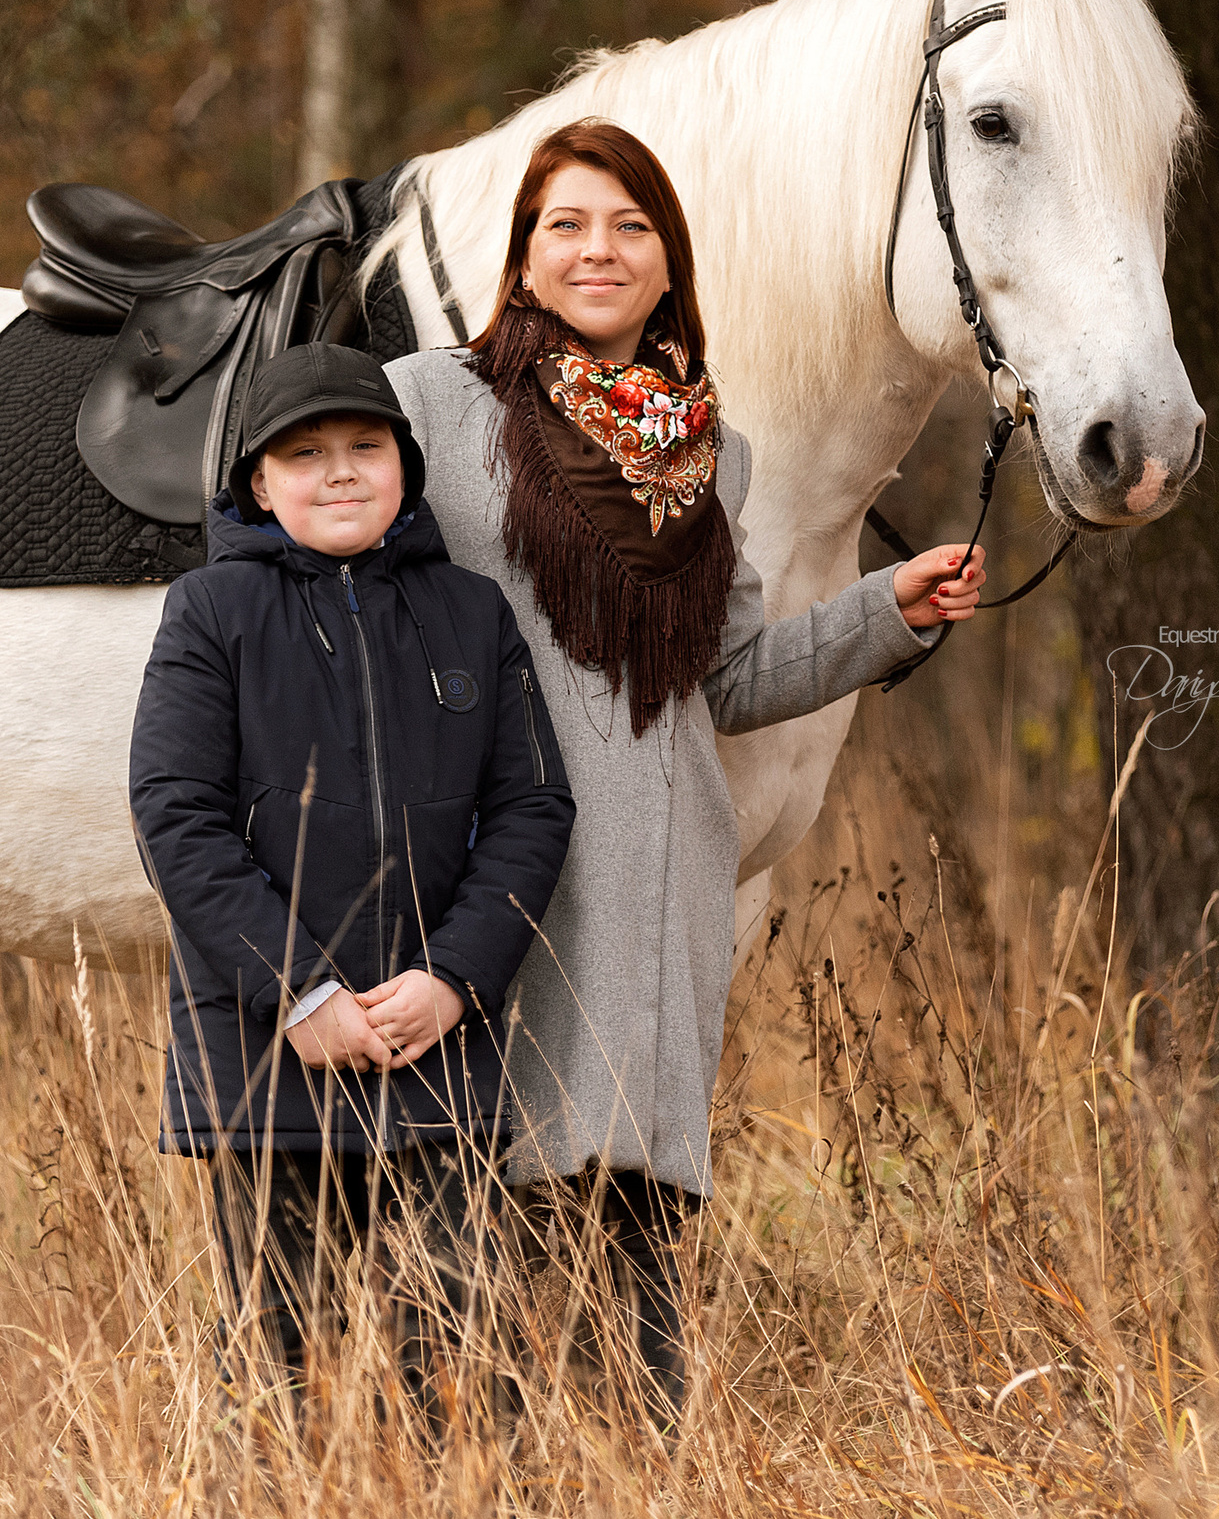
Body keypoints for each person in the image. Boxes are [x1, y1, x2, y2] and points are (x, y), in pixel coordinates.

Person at [382, 119, 986, 1419]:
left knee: (634, 1268)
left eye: (629, 227)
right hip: (498, 881)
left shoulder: (704, 455)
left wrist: (891, 610)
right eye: (566, 225)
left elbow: (732, 685)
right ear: (524, 257)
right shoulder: (429, 406)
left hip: (654, 888)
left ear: (669, 266)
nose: (597, 250)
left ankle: (635, 1467)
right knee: (479, 1237)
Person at [128, 341, 577, 1437]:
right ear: (256, 483)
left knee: (458, 1375)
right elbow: (175, 818)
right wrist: (301, 992)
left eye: (364, 446)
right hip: (268, 1065)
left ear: (405, 468)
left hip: (438, 1060)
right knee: (284, 1382)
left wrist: (454, 979)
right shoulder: (210, 612)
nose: (338, 471)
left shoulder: (470, 612)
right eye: (304, 452)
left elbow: (531, 809)